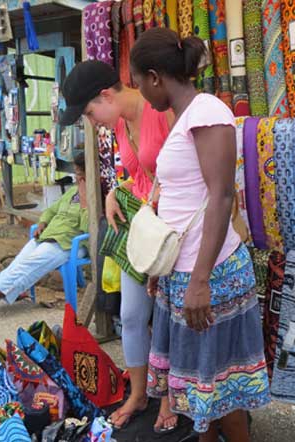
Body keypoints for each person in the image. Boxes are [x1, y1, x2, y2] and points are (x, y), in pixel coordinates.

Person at [130, 28, 271, 442]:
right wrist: (168, 269)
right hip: (187, 272)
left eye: (139, 82)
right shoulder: (183, 118)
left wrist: (200, 280)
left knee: (222, 394)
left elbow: (222, 195)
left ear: (155, 76)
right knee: (201, 395)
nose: (141, 93)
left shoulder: (206, 110)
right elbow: (183, 197)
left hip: (212, 275)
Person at [60, 60, 177, 433]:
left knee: (166, 317)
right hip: (141, 229)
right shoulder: (122, 125)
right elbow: (139, 175)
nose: (92, 122)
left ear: (106, 95)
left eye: (91, 112)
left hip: (169, 230)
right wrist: (116, 190)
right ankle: (140, 393)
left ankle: (169, 398)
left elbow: (180, 169)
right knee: (131, 315)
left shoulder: (162, 111)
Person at [0, 152, 88, 304]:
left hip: (69, 243)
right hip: (48, 236)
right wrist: (43, 223)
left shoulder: (98, 196)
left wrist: (85, 201)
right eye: (76, 174)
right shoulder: (73, 192)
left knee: (31, 262)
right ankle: (11, 290)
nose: (77, 178)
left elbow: (88, 229)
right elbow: (51, 210)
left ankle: (3, 290)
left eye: (80, 174)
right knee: (20, 260)